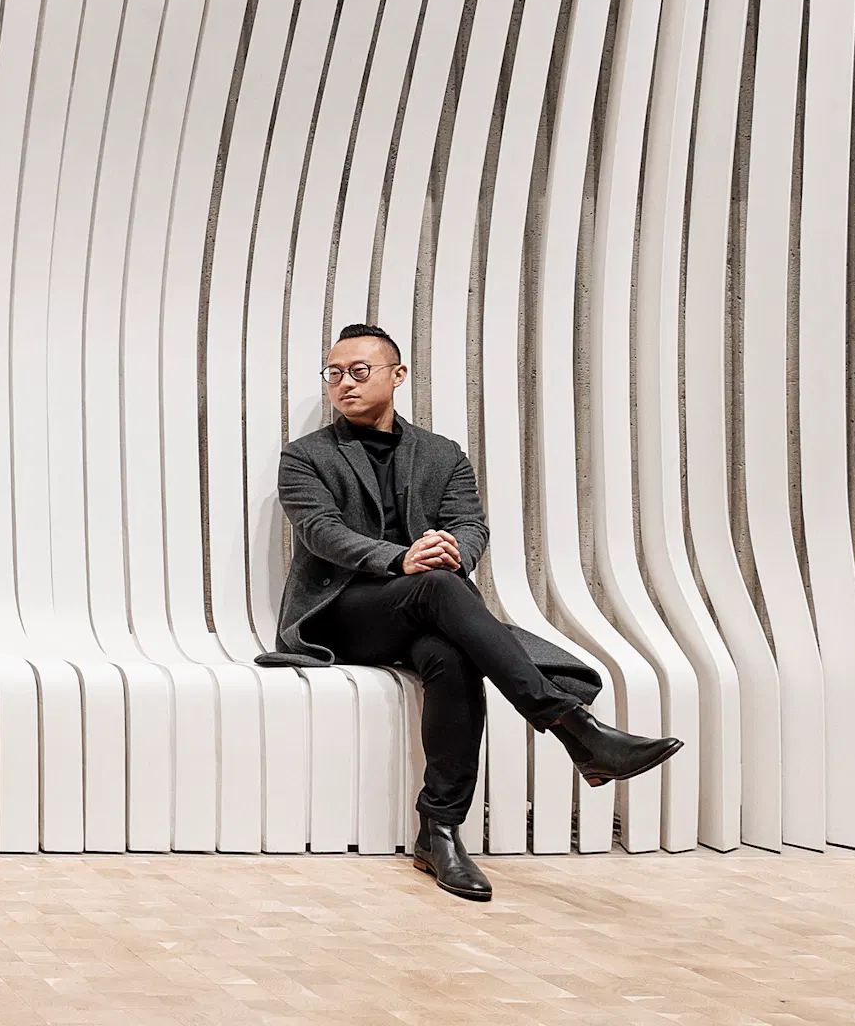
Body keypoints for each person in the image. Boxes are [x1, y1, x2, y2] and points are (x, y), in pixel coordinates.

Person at [257, 323, 682, 901]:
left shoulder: (441, 454)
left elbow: (470, 525)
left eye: (359, 371)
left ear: (396, 376)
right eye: (333, 374)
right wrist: (403, 558)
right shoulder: (304, 457)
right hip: (343, 614)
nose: (344, 384)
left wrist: (453, 551)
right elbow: (321, 533)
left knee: (451, 653)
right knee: (435, 586)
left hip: (427, 608)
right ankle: (572, 726)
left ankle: (440, 832)